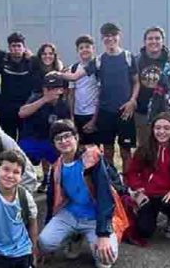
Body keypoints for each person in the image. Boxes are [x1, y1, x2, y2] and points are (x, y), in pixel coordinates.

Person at [38, 120, 129, 268]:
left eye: (68, 136)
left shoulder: (91, 160)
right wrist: (46, 233)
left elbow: (105, 197)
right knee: (45, 243)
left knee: (105, 261)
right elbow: (51, 201)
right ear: (53, 143)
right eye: (58, 138)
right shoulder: (57, 167)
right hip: (70, 214)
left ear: (76, 137)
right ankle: (75, 236)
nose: (64, 141)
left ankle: (89, 236)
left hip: (95, 217)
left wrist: (103, 233)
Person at [57, 22, 140, 172]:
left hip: (125, 112)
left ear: (118, 36)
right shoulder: (99, 60)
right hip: (105, 112)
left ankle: (127, 186)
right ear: (102, 39)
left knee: (126, 152)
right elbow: (75, 76)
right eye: (106, 36)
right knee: (107, 151)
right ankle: (111, 183)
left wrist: (132, 101)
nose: (110, 39)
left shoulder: (128, 57)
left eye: (113, 35)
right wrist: (57, 73)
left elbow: (136, 82)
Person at [127, 113, 170, 240]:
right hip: (148, 195)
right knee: (143, 232)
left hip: (169, 195)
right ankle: (144, 214)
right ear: (152, 130)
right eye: (158, 128)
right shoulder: (143, 149)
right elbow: (131, 172)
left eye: (166, 128)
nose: (161, 132)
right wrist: (138, 189)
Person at [18, 74, 72, 192]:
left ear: (61, 90)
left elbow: (68, 128)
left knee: (63, 155)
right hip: (31, 139)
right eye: (48, 88)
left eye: (55, 88)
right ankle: (21, 186)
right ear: (43, 89)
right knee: (18, 158)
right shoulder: (36, 98)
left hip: (51, 141)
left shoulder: (63, 105)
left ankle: (52, 182)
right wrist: (44, 100)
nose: (51, 91)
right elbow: (22, 113)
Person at [134, 27, 170, 148]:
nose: (154, 41)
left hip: (165, 113)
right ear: (144, 41)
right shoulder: (136, 61)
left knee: (166, 148)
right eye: (150, 38)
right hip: (142, 112)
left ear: (163, 41)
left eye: (157, 38)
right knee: (145, 148)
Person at [0, 32, 34, 141]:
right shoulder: (2, 60)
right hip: (7, 108)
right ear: (9, 48)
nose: (16, 49)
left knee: (25, 139)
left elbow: (52, 63)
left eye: (19, 46)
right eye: (13, 46)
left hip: (26, 106)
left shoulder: (31, 62)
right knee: (8, 139)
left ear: (24, 48)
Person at [67, 35, 100, 146]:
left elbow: (101, 94)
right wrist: (71, 117)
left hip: (93, 114)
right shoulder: (73, 68)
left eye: (87, 46)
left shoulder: (98, 67)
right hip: (77, 115)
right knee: (78, 147)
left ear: (93, 49)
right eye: (81, 48)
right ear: (77, 51)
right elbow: (71, 94)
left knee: (94, 150)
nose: (84, 50)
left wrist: (94, 120)